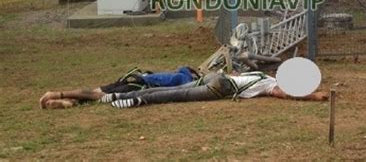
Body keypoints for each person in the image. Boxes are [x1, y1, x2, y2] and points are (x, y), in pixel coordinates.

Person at [106, 71, 329, 109]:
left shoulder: (267, 76)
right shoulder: (272, 84)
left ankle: (120, 95)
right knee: (176, 94)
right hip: (221, 86)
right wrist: (314, 96)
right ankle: (133, 100)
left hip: (218, 77)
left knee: (175, 87)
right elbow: (287, 94)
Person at [39, 66, 200, 109]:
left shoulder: (179, 74)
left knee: (96, 93)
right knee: (100, 97)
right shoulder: (184, 79)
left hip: (133, 78)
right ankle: (59, 95)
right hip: (138, 85)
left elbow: (183, 67)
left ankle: (67, 100)